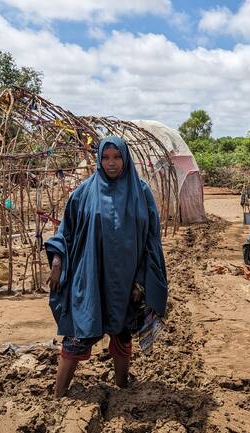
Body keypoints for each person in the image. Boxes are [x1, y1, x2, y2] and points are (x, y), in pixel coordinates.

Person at [45, 136, 168, 398]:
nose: (111, 163)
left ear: (125, 159)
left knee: (122, 334)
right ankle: (58, 394)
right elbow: (65, 230)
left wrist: (141, 280)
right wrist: (57, 262)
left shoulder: (141, 192)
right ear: (99, 160)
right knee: (79, 332)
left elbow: (150, 240)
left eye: (117, 157)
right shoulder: (84, 192)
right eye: (106, 158)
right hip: (90, 277)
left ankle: (122, 387)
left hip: (126, 282)